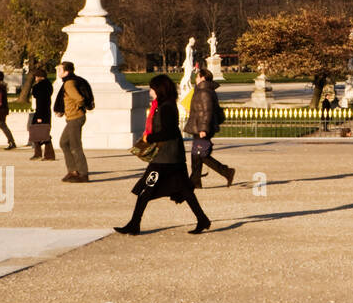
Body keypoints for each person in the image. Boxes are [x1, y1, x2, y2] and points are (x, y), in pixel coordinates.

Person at [115, 74, 210, 235]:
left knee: (146, 189)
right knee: (184, 190)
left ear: (159, 89)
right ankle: (202, 219)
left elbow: (169, 132)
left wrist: (149, 138)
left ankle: (134, 224)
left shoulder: (166, 107)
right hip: (172, 156)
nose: (150, 91)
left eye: (152, 88)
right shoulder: (165, 105)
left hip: (165, 157)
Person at [184, 68, 236, 188]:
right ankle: (195, 181)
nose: (195, 79)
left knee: (201, 154)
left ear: (203, 77)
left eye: (197, 76)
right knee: (197, 154)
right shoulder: (203, 90)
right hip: (200, 126)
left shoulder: (204, 92)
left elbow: (207, 112)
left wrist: (203, 129)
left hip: (202, 127)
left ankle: (226, 171)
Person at [54, 61, 96, 182]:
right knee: (64, 143)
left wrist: (77, 108)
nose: (58, 72)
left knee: (75, 146)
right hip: (72, 118)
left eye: (60, 70)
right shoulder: (70, 81)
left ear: (66, 72)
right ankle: (72, 170)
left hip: (75, 118)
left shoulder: (69, 83)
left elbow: (79, 99)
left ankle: (83, 174)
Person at [27, 67, 56, 161]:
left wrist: (39, 116)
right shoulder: (48, 86)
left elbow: (40, 102)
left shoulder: (40, 87)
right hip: (46, 112)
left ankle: (41, 153)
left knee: (38, 133)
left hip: (41, 112)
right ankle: (47, 154)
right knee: (43, 133)